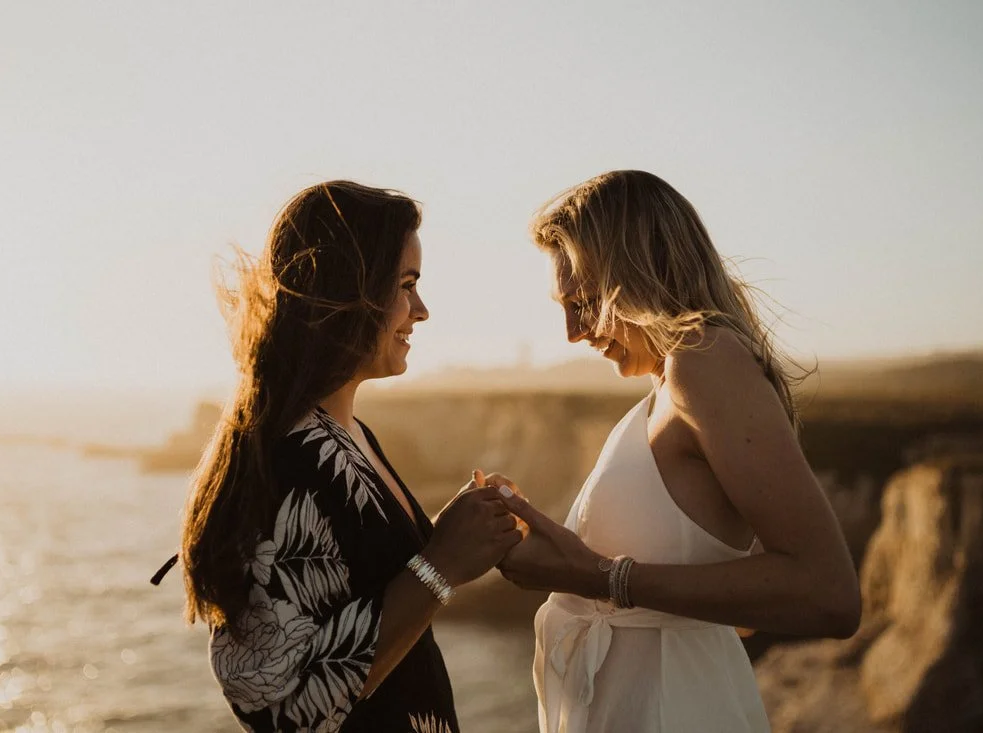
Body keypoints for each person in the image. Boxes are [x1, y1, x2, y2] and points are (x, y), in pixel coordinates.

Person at [495, 170, 862, 733]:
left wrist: (597, 577)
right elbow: (735, 614)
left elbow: (828, 594)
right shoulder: (667, 384)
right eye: (563, 306)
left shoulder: (705, 360)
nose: (573, 331)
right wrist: (567, 558)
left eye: (586, 300)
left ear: (640, 273)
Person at [172, 181, 522, 732]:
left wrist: (454, 533)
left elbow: (365, 579)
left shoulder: (349, 434)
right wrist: (441, 565)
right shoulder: (295, 459)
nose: (422, 310)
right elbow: (284, 708)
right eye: (406, 285)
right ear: (349, 289)